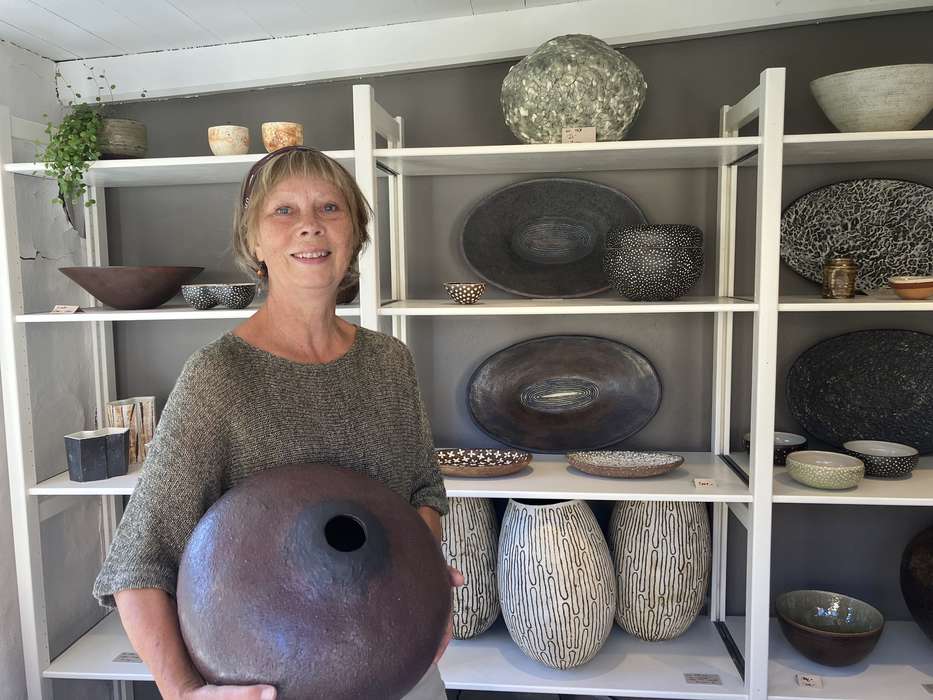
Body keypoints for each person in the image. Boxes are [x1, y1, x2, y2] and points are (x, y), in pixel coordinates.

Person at [93, 145, 462, 700]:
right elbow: (140, 560)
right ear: (255, 244)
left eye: (330, 208)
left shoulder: (389, 362)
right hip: (272, 678)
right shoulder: (220, 375)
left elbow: (421, 494)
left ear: (355, 235)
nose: (310, 225)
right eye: (283, 211)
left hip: (399, 665)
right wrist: (182, 691)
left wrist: (425, 585)